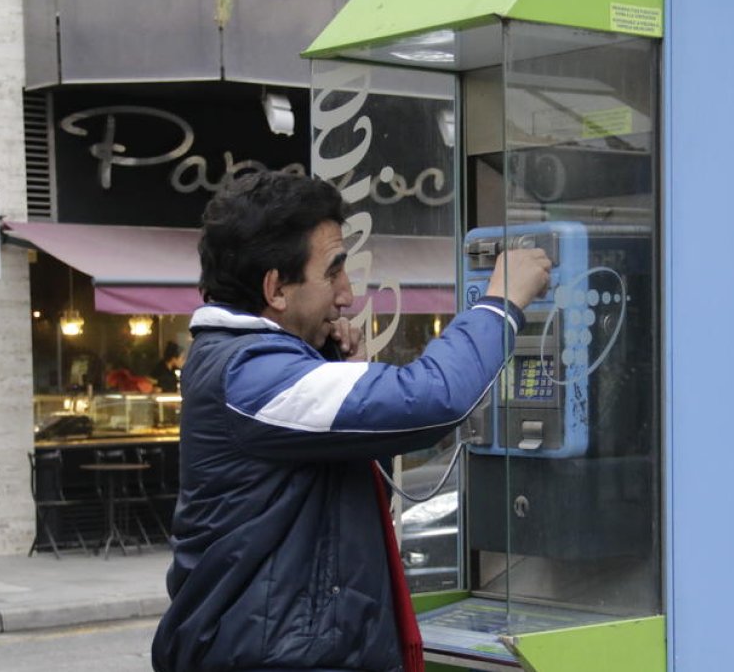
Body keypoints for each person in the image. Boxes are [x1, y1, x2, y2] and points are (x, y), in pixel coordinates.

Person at [150, 172, 550, 672]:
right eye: (333, 271)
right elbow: (432, 398)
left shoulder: (263, 366)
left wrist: (335, 371)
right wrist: (499, 305)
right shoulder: (251, 375)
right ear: (276, 287)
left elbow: (340, 499)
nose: (346, 295)